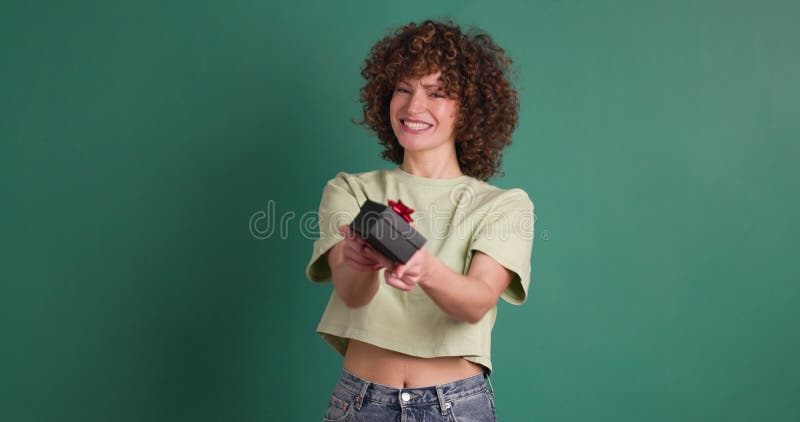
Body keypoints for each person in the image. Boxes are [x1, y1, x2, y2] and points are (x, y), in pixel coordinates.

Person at [306, 19, 535, 422]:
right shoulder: (349, 190)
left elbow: (477, 301)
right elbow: (353, 295)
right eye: (403, 89)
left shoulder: (504, 205)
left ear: (469, 109)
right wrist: (359, 262)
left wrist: (424, 268)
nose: (414, 107)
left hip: (456, 406)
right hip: (360, 404)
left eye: (437, 93)